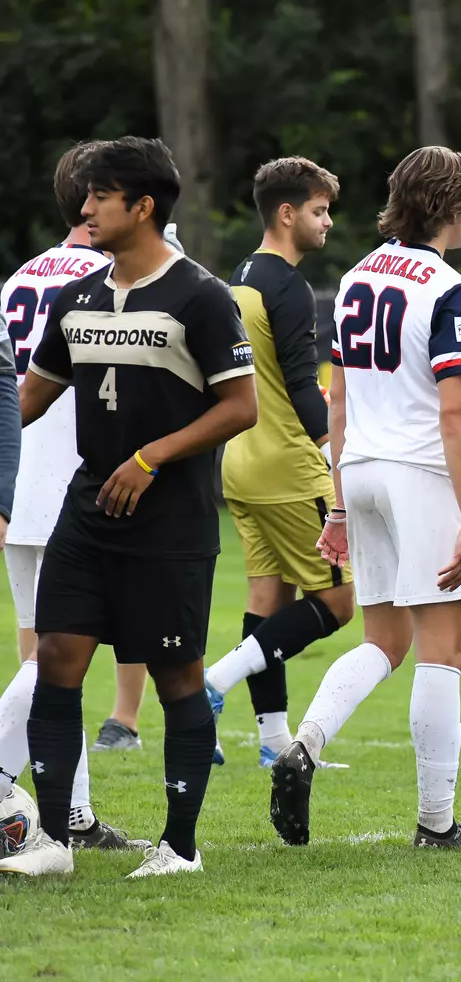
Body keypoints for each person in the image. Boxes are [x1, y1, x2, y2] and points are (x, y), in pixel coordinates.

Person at [0, 137, 260, 878]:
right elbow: (28, 397)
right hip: (85, 509)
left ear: (141, 207)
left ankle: (180, 847)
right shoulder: (75, 299)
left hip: (172, 519)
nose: (83, 210)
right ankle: (51, 843)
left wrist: (153, 456)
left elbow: (241, 407)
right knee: (55, 658)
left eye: (99, 197)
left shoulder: (200, 296)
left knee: (177, 675)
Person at [269, 146, 461, 851]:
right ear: (450, 207)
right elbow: (455, 413)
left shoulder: (352, 277)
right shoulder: (448, 287)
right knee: (443, 650)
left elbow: (336, 397)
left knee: (383, 640)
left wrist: (339, 502)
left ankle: (304, 743)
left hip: (363, 467)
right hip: (418, 472)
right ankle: (436, 824)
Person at [0, 142, 148, 852]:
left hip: (18, 483)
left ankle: (78, 817)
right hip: (78, 491)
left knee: (53, 657)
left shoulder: (19, 276)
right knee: (57, 659)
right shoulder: (112, 277)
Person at [204, 157, 356, 768]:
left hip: (240, 464)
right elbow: (299, 385)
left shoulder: (238, 276)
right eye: (319, 212)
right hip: (291, 470)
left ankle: (272, 742)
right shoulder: (288, 286)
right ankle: (211, 682)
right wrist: (334, 455)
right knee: (340, 605)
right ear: (287, 213)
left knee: (267, 598)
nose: (327, 225)